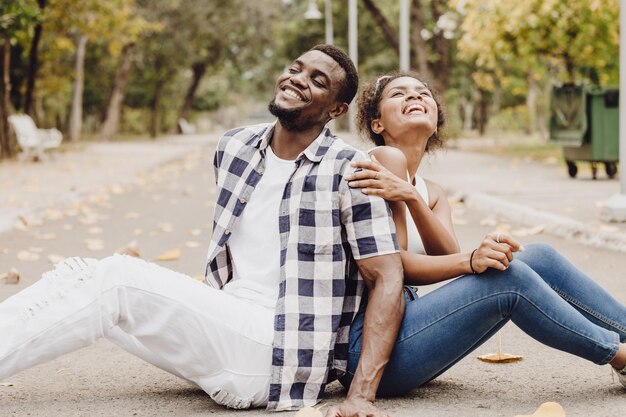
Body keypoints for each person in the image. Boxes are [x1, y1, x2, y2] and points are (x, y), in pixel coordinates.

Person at [0, 46, 405, 417]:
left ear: (336, 108)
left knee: (114, 279)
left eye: (318, 80)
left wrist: (361, 395)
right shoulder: (235, 147)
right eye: (295, 69)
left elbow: (387, 277)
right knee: (89, 287)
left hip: (275, 351)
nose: (298, 79)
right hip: (226, 329)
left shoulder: (352, 169)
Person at [341, 71, 626, 396]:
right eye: (399, 94)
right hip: (368, 349)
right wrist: (474, 260)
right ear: (377, 124)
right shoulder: (381, 162)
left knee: (536, 255)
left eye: (422, 93)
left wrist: (411, 197)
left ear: (435, 122)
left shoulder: (431, 192)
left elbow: (447, 256)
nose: (415, 97)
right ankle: (620, 356)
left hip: (404, 328)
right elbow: (393, 269)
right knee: (509, 277)